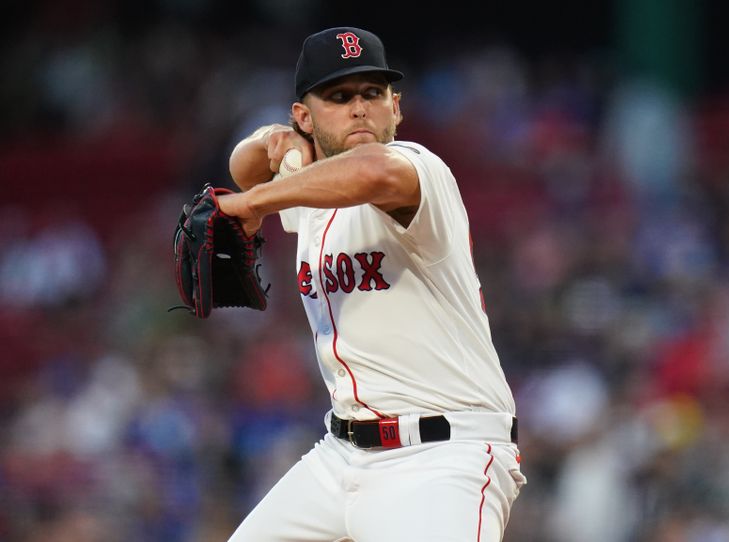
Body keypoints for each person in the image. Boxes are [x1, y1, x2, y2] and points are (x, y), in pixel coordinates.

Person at [219, 26, 526, 542]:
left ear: (396, 107)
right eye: (339, 97)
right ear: (304, 116)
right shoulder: (310, 182)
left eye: (372, 93)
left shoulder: (418, 170)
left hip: (441, 457)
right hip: (340, 455)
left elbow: (373, 173)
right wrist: (271, 141)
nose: (360, 108)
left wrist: (251, 204)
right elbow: (242, 166)